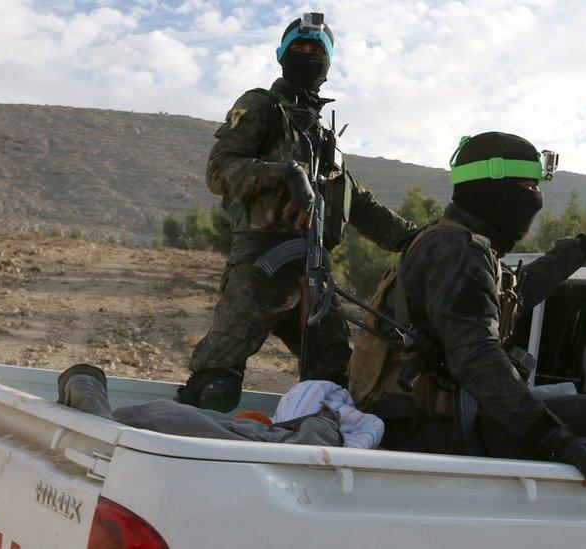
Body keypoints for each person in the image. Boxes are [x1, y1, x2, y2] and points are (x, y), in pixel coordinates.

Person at [348, 131, 586, 490]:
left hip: (414, 420)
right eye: (528, 186)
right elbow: (476, 354)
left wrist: (576, 250)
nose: (536, 199)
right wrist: (556, 441)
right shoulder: (459, 250)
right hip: (413, 431)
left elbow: (514, 296)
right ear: (491, 188)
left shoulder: (452, 241)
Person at [176, 13, 415, 413]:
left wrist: (421, 236)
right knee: (214, 387)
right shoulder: (260, 106)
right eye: (299, 49)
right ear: (281, 56)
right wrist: (286, 173)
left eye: (317, 50)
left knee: (332, 391)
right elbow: (219, 172)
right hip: (260, 268)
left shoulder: (323, 137)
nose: (308, 55)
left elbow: (361, 206)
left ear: (329, 62)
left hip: (313, 276)